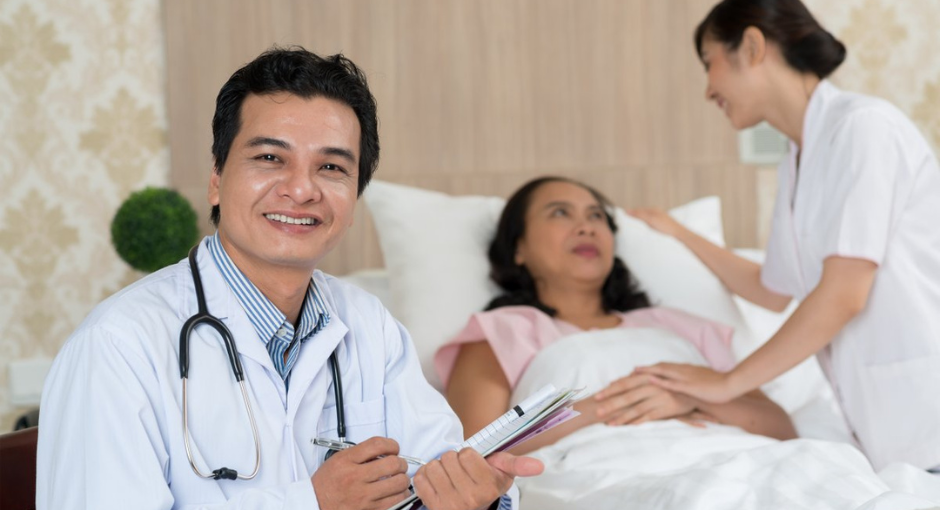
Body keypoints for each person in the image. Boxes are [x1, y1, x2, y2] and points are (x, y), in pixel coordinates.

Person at [36, 47, 542, 510]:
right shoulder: (117, 345)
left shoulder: (369, 325)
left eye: (331, 167)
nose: (301, 190)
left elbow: (437, 470)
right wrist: (311, 504)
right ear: (216, 179)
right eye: (270, 158)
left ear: (353, 197)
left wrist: (479, 497)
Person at [631, 0, 940, 472]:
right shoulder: (797, 162)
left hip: (925, 410)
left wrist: (726, 382)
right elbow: (772, 289)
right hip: (887, 433)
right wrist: (679, 232)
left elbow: (843, 294)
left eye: (708, 62)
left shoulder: (864, 128)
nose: (708, 89)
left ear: (752, 47)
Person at [434, 176, 797, 454]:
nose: (587, 226)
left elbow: (782, 428)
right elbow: (473, 457)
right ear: (518, 249)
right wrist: (609, 407)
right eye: (560, 213)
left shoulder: (678, 326)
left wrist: (694, 397)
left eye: (597, 216)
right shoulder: (501, 333)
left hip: (731, 460)